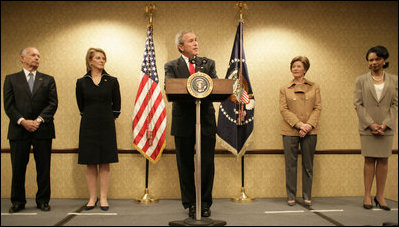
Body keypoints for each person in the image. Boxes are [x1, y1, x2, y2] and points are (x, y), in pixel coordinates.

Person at [164, 30, 218, 218]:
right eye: (191, 41)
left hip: (206, 121)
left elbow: (217, 86)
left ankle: (204, 203)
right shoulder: (171, 65)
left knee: (207, 164)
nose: (196, 43)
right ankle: (190, 204)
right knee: (185, 164)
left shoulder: (208, 64)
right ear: (181, 46)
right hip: (183, 122)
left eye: (196, 39)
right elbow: (170, 87)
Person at [3, 47, 58, 213]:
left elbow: (52, 104)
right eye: (33, 55)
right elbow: (8, 105)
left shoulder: (48, 80)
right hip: (19, 130)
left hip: (43, 129)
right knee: (18, 168)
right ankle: (18, 201)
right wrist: (23, 121)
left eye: (38, 56)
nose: (36, 58)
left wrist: (38, 121)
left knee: (43, 168)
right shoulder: (11, 79)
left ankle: (43, 200)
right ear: (22, 58)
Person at [75, 48, 121, 211]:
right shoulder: (81, 82)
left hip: (107, 125)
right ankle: (92, 197)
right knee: (90, 163)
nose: (102, 60)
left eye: (103, 58)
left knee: (104, 162)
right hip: (88, 125)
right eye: (98, 58)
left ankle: (103, 197)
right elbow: (81, 106)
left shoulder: (112, 81)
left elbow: (117, 107)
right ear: (90, 61)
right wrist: (92, 117)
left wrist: (107, 118)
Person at [354, 45, 397, 211]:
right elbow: (358, 104)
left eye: (377, 59)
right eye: (370, 60)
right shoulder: (361, 80)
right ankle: (367, 195)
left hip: (387, 127)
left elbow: (396, 104)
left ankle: (380, 195)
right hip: (368, 127)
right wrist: (371, 123)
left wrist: (386, 124)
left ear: (384, 60)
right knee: (369, 160)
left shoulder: (394, 80)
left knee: (384, 160)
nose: (373, 62)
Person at [279, 56, 321, 207]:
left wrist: (308, 125)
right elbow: (283, 109)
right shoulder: (284, 89)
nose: (295, 68)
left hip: (310, 131)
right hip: (290, 130)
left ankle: (307, 195)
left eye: (298, 66)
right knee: (290, 165)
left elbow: (317, 108)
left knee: (308, 165)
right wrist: (299, 125)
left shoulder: (314, 87)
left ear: (305, 69)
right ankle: (291, 195)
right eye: (293, 66)